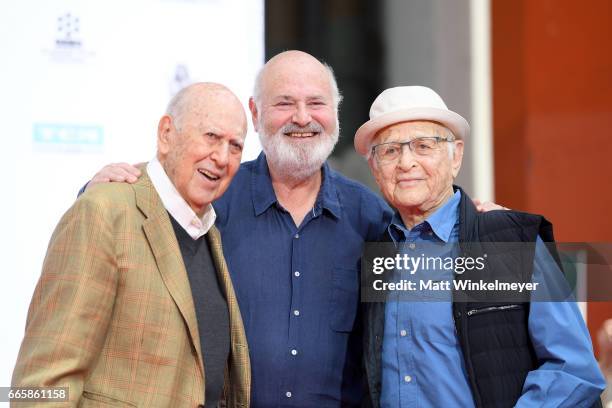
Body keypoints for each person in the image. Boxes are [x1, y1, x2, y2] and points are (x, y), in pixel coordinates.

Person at [81, 51, 392, 407]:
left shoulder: (372, 219)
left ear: (335, 113)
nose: (302, 117)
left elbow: (414, 326)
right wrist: (100, 188)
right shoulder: (212, 198)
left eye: (316, 103)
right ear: (256, 114)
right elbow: (136, 215)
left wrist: (469, 223)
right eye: (285, 103)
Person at [356, 85, 606, 407]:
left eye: (423, 145)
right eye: (390, 151)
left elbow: (573, 370)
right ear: (375, 168)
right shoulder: (373, 255)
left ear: (455, 155)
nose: (406, 162)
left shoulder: (510, 241)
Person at [12, 83, 251, 407]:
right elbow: (40, 384)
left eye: (235, 146)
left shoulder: (209, 232)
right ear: (166, 134)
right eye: (211, 137)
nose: (222, 157)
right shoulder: (104, 212)